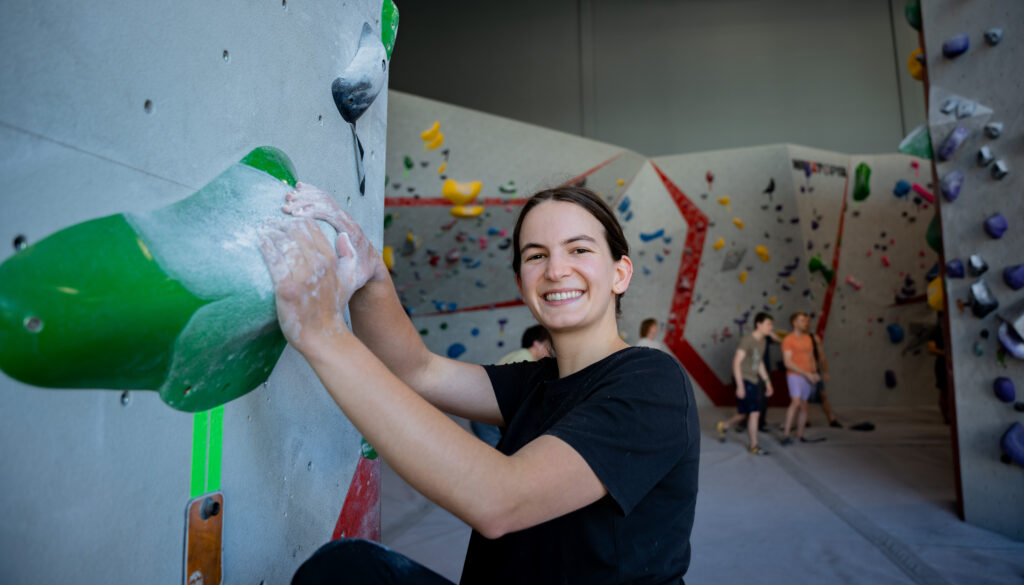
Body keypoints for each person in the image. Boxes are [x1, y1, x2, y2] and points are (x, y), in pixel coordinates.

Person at [259, 183, 700, 584]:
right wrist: (371, 271)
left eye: (579, 250)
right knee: (345, 572)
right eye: (535, 255)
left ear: (620, 273)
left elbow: (500, 499)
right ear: (522, 282)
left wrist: (322, 334)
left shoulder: (652, 382)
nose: (556, 269)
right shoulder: (536, 381)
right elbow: (417, 371)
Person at [471, 325, 552, 447]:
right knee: (503, 456)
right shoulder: (526, 360)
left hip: (484, 413)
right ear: (537, 344)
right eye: (548, 345)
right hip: (488, 415)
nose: (550, 351)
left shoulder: (517, 355)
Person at [716, 312, 775, 455]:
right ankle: (754, 445)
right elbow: (736, 362)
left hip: (754, 380)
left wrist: (767, 382)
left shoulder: (763, 341)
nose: (770, 327)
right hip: (743, 379)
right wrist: (740, 385)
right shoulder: (747, 340)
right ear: (758, 324)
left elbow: (759, 362)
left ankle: (724, 426)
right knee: (754, 413)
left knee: (743, 414)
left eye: (771, 324)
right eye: (768, 324)